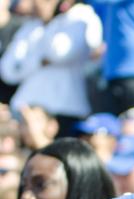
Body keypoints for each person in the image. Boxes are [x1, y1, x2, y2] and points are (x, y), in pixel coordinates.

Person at [0, 0, 102, 135]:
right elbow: (8, 71)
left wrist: (50, 22)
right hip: (26, 106)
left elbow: (59, 53)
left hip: (66, 110)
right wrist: (39, 62)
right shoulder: (31, 26)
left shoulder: (81, 16)